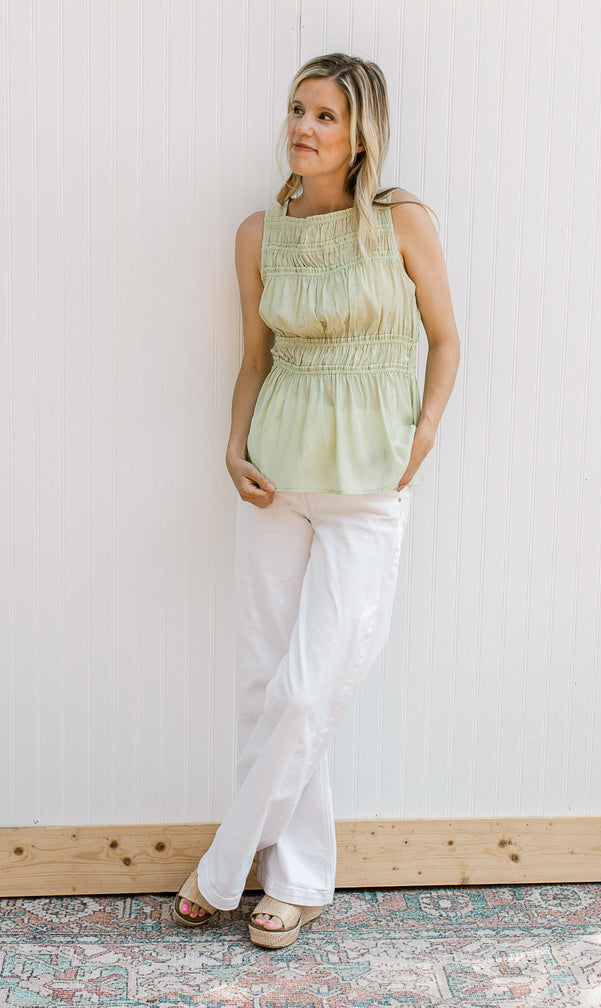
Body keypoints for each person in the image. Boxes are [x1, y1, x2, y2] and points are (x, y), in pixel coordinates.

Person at [172, 52, 459, 949]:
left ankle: (224, 866)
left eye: (326, 115)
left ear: (361, 133)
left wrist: (425, 431)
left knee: (308, 690)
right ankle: (295, 883)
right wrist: (232, 448)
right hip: (274, 478)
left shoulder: (403, 221)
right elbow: (254, 361)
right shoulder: (258, 233)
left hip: (368, 485)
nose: (303, 127)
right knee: (265, 689)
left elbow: (447, 341)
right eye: (298, 109)